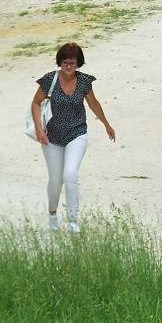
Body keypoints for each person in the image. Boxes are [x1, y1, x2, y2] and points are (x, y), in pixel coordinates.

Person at [30, 42, 116, 232]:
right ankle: (52, 214)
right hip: (51, 136)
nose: (69, 66)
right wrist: (39, 129)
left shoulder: (84, 81)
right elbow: (36, 103)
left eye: (73, 63)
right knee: (55, 180)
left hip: (77, 133)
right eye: (66, 62)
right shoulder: (49, 80)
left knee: (70, 174)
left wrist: (106, 124)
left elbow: (93, 103)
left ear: (78, 64)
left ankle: (72, 220)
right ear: (60, 62)